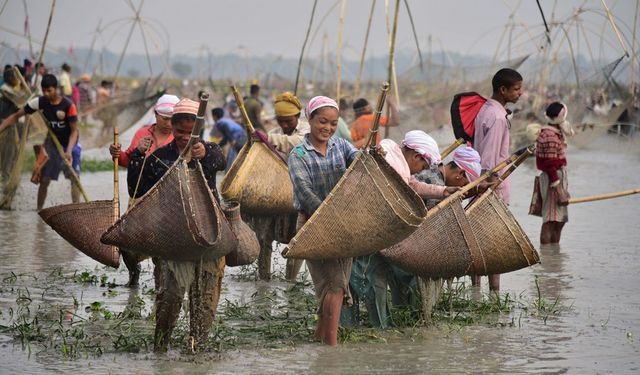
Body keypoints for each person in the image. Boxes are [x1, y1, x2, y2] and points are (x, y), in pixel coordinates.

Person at [127, 98, 227, 352]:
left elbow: (221, 161)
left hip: (207, 238)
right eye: (179, 132)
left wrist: (204, 151)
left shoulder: (207, 152)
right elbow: (136, 188)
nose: (184, 137)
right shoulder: (161, 156)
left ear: (199, 131)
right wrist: (138, 155)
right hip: (171, 239)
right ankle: (160, 348)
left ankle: (197, 350)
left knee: (204, 302)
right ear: (172, 128)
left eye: (190, 132)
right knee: (169, 297)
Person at [288, 95, 358, 346]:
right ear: (310, 119)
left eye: (332, 123)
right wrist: (329, 216)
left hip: (344, 227)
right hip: (312, 226)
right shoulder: (298, 154)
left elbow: (359, 163)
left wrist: (373, 154)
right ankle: (331, 347)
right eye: (322, 122)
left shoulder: (341, 146)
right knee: (334, 286)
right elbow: (305, 193)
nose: (327, 128)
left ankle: (321, 340)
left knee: (336, 286)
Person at [109, 94, 179, 287]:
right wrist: (118, 155)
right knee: (125, 240)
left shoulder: (180, 138)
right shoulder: (142, 134)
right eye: (164, 118)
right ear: (156, 114)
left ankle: (162, 282)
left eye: (173, 119)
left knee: (162, 246)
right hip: (141, 199)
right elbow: (128, 161)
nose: (168, 123)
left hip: (168, 202)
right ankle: (134, 273)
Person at [413, 146, 482, 319]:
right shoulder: (435, 182)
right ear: (459, 173)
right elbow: (432, 221)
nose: (462, 187)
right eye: (464, 184)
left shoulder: (434, 170)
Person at [246, 91, 308, 280]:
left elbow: (296, 143)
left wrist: (268, 139)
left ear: (297, 116)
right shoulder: (274, 133)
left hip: (299, 195)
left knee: (297, 240)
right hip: (275, 195)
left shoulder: (306, 132)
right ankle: (263, 277)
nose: (285, 125)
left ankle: (291, 280)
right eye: (281, 120)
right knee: (264, 236)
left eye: (288, 120)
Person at [471, 67, 523, 292]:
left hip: (479, 181)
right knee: (493, 240)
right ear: (503, 90)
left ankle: (475, 288)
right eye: (516, 89)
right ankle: (494, 291)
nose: (520, 93)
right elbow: (491, 157)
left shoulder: (485, 109)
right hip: (492, 184)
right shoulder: (498, 116)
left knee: (478, 237)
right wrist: (488, 184)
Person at [0, 74, 81, 210]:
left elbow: (74, 132)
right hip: (52, 144)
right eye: (44, 91)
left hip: (70, 144)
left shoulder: (68, 106)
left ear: (56, 89)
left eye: (49, 90)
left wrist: (68, 151)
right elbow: (16, 116)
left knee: (75, 179)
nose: (46, 94)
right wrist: (1, 128)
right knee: (44, 179)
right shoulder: (39, 102)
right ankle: (39, 211)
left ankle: (77, 209)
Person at [535, 102, 573, 245]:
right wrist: (559, 190)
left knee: (559, 221)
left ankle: (553, 257)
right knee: (550, 221)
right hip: (553, 179)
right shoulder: (550, 135)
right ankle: (547, 258)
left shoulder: (554, 133)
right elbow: (550, 165)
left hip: (556, 177)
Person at [211, 107, 246, 171]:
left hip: (238, 138)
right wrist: (219, 145)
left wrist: (232, 140)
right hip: (243, 136)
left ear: (214, 116)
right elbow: (226, 137)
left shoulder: (219, 123)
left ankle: (232, 171)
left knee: (234, 156)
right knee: (238, 155)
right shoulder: (225, 119)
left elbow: (227, 134)